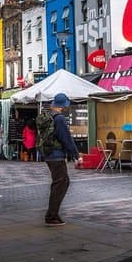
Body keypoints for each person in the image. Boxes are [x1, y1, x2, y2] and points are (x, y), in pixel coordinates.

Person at [42, 93, 79, 226]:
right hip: (56, 155)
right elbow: (66, 138)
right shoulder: (59, 119)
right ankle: (51, 216)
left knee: (62, 182)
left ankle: (53, 213)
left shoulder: (48, 117)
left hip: (48, 154)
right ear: (62, 106)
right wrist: (76, 154)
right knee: (60, 183)